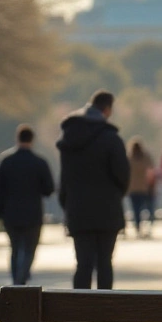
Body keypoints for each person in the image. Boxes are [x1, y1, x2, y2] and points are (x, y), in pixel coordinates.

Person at [57, 90, 130, 290]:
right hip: (107, 209)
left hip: (78, 209)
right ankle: (103, 310)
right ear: (107, 110)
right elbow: (123, 175)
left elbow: (64, 178)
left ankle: (79, 309)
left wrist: (67, 203)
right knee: (105, 263)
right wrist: (115, 196)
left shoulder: (70, 138)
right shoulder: (111, 139)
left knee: (83, 264)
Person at [0, 124, 55, 285]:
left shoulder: (6, 160)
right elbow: (49, 189)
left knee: (14, 248)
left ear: (17, 138)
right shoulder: (39, 162)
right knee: (29, 249)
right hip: (33, 213)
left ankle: (16, 280)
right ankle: (21, 278)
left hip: (11, 212)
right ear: (32, 140)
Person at [127, 138, 157, 238]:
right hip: (144, 187)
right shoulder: (146, 158)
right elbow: (151, 172)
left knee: (136, 210)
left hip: (132, 187)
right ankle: (147, 226)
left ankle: (138, 227)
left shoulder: (129, 158)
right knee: (146, 208)